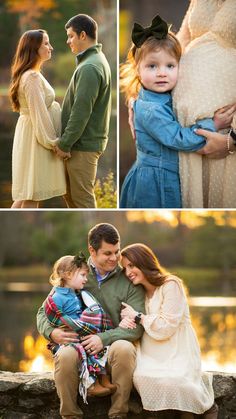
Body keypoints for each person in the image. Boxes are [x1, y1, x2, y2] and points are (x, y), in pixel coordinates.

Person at [119, 15, 231, 209]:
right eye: (152, 66)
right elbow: (178, 138)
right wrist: (213, 124)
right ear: (138, 70)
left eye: (170, 66)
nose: (162, 73)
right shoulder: (151, 109)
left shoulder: (160, 96)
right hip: (156, 182)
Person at [37, 223, 145, 419]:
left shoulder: (129, 279)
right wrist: (52, 333)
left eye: (117, 252)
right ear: (92, 250)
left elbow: (136, 328)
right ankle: (70, 416)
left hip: (110, 348)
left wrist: (102, 338)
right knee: (66, 355)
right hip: (77, 344)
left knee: (125, 348)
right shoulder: (74, 273)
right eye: (107, 253)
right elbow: (43, 312)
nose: (114, 258)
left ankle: (118, 414)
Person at [120, 243, 218, 419]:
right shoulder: (137, 293)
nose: (128, 272)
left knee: (177, 381)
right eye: (125, 268)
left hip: (179, 348)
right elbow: (131, 317)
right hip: (151, 351)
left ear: (143, 262)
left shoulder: (171, 284)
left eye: (131, 266)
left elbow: (167, 326)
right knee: (142, 377)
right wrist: (126, 319)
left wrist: (137, 316)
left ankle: (206, 408)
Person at [173, 0, 236, 207]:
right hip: (183, 133)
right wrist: (139, 92)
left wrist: (232, 141)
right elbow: (179, 41)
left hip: (225, 138)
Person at [54, 14, 112, 208]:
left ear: (83, 35)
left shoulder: (90, 67)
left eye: (71, 36)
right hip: (80, 144)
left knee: (82, 200)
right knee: (71, 198)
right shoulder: (93, 61)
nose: (68, 40)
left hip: (82, 146)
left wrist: (65, 143)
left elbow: (81, 111)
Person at [44, 252, 117, 404]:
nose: (86, 279)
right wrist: (63, 328)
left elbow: (91, 310)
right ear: (69, 275)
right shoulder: (56, 297)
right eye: (83, 275)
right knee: (85, 350)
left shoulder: (79, 294)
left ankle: (103, 377)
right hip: (72, 334)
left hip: (83, 331)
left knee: (98, 347)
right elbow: (55, 316)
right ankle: (92, 384)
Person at [9, 29, 67, 209]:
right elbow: (39, 114)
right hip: (35, 139)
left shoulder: (29, 74)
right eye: (46, 44)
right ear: (34, 48)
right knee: (32, 194)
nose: (51, 47)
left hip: (29, 134)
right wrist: (55, 143)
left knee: (26, 193)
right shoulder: (32, 77)